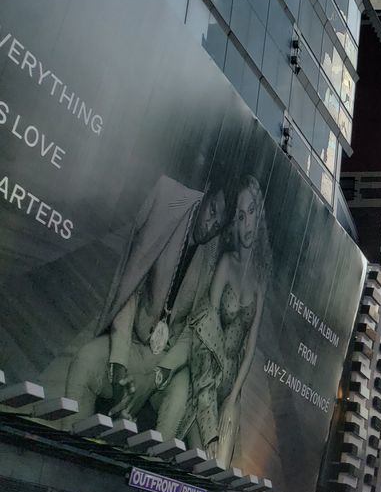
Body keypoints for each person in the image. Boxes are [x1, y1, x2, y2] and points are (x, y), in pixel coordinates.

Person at [64, 176, 229, 433]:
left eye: (218, 226)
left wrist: (155, 378)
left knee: (178, 401)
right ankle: (69, 451)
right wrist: (118, 365)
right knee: (84, 362)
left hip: (166, 362)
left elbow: (194, 330)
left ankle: (149, 471)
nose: (209, 227)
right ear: (206, 191)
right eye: (212, 211)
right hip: (132, 342)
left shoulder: (214, 255)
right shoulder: (168, 201)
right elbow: (131, 286)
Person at [172, 175, 268, 466]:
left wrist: (232, 399)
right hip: (207, 377)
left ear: (259, 214)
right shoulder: (226, 264)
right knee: (201, 467)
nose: (247, 224)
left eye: (251, 212)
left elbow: (249, 348)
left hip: (231, 388)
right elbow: (206, 329)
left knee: (219, 473)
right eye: (240, 216)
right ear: (235, 224)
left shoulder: (259, 283)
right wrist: (211, 401)